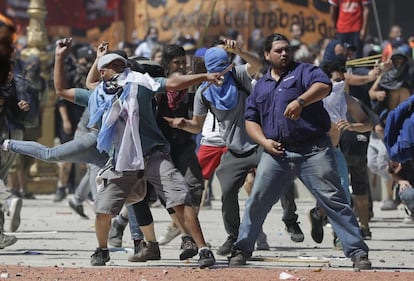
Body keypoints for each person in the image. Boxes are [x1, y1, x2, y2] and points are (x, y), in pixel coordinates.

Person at [55, 38, 221, 268]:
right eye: (114, 65)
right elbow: (62, 90)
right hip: (121, 162)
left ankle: (202, 249)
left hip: (153, 155)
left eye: (122, 63)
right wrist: (60, 57)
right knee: (103, 209)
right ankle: (102, 250)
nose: (120, 67)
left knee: (180, 198)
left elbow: (173, 83)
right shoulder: (98, 95)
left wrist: (204, 77)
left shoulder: (140, 84)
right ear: (104, 73)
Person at [227, 33, 371, 270]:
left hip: (313, 150)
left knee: (334, 200)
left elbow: (324, 86)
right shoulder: (261, 85)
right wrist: (264, 142)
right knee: (257, 202)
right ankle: (242, 249)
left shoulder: (305, 71)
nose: (284, 53)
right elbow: (250, 120)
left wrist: (301, 101)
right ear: (266, 55)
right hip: (277, 153)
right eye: (278, 50)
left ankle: (357, 252)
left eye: (287, 49)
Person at [164, 38, 303, 257]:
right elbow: (197, 125)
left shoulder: (238, 76)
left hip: (259, 143)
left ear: (229, 66)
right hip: (234, 150)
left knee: (282, 172)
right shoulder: (203, 93)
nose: (220, 75)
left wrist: (240, 50)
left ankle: (290, 219)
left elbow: (256, 65)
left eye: (223, 68)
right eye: (214, 71)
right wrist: (182, 124)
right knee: (227, 192)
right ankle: (233, 236)